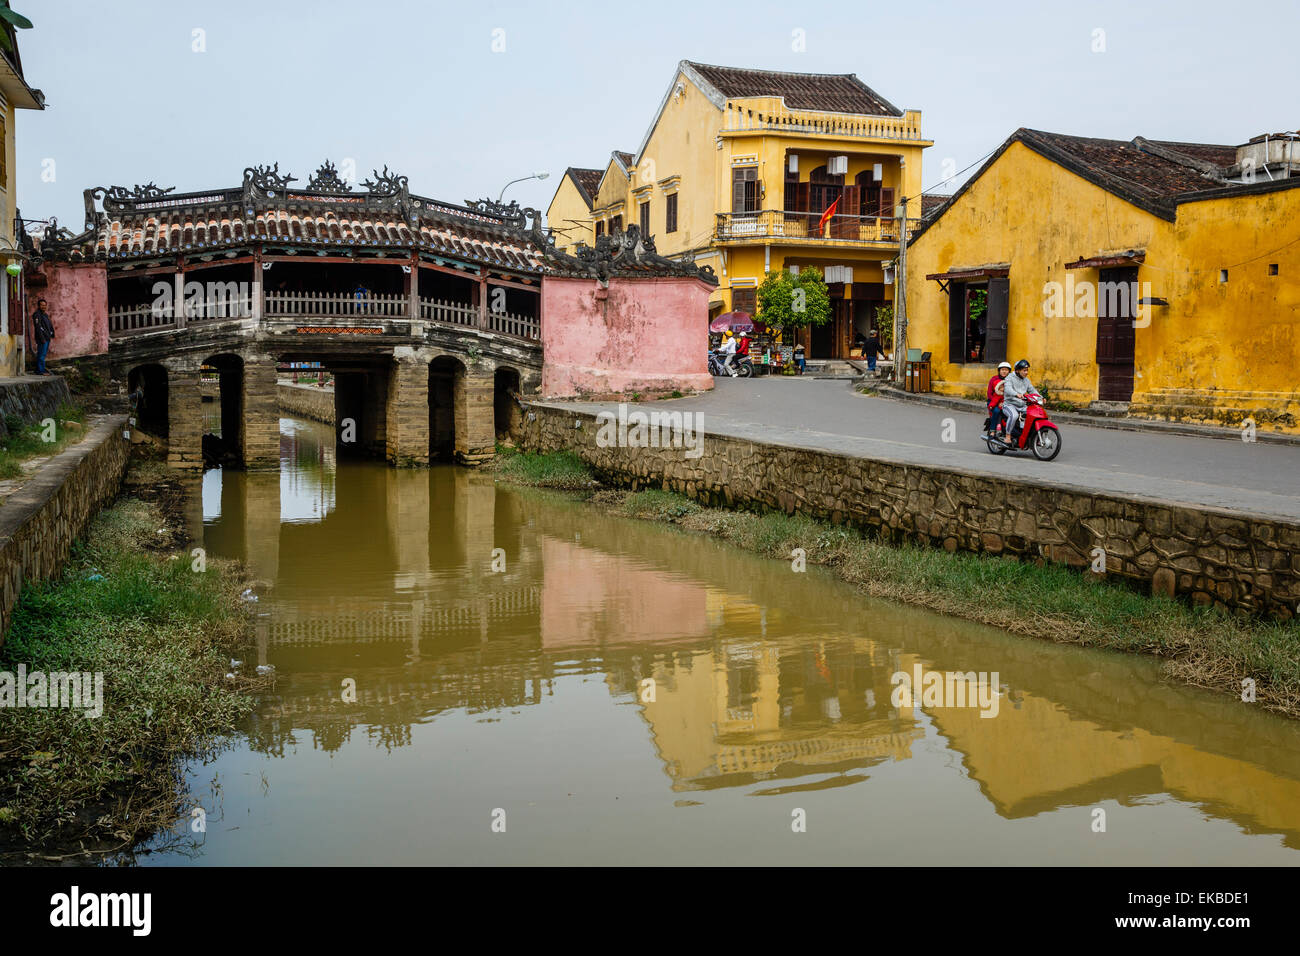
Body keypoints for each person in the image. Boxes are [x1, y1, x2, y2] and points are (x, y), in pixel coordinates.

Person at [1001, 359, 1036, 441]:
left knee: (1034, 415)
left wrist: (1041, 397)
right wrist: (1016, 394)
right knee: (1014, 416)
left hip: (1022, 405)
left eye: (1027, 370)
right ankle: (1008, 436)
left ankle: (1031, 437)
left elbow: (1032, 390)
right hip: (1009, 404)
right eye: (1024, 370)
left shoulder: (1026, 380)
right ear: (1017, 371)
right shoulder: (1009, 378)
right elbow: (1008, 389)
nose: (1026, 372)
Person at [987, 361, 1012, 436]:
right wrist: (997, 403)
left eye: (1006, 370)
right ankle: (992, 430)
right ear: (999, 371)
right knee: (997, 411)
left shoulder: (1011, 380)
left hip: (1006, 401)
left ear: (1009, 371)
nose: (1004, 371)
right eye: (1002, 369)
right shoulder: (994, 379)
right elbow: (989, 394)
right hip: (993, 401)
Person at [31, 298, 54, 375]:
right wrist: (42, 339)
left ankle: (38, 369)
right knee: (41, 354)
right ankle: (41, 371)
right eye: (42, 305)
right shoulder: (37, 315)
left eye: (45, 305)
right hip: (42, 338)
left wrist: (52, 333)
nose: (44, 307)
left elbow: (49, 325)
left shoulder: (45, 315)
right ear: (39, 306)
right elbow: (38, 327)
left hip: (47, 338)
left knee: (42, 354)